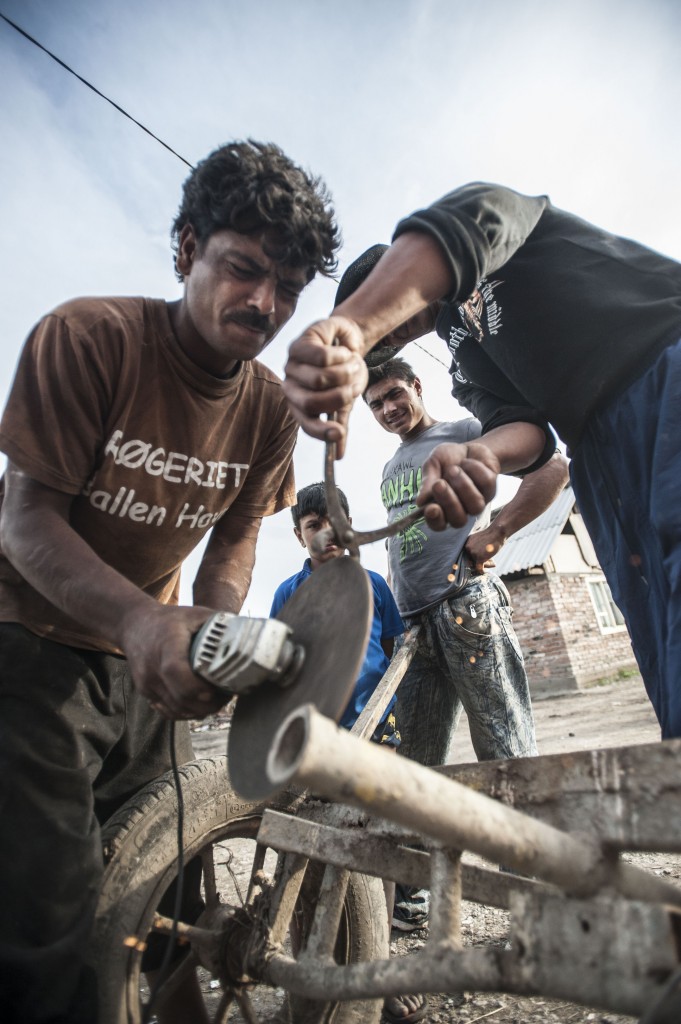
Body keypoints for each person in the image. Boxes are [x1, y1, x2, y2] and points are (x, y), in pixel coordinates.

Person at [0, 139, 339, 1024]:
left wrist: (209, 634)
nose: (263, 303)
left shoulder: (268, 410)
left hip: (145, 664)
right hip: (26, 651)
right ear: (187, 249)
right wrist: (140, 623)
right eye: (243, 269)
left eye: (288, 289)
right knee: (57, 922)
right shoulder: (89, 338)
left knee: (169, 897)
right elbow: (25, 522)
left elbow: (234, 543)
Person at [282, 184, 681, 742]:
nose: (383, 335)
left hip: (663, 377)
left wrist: (343, 329)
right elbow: (529, 436)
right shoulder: (463, 354)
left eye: (379, 323)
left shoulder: (490, 229)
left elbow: (457, 232)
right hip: (598, 453)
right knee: (660, 631)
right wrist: (482, 454)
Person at [363, 355, 569, 767]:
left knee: (504, 750)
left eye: (394, 394)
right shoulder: (389, 469)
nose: (388, 409)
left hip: (465, 607)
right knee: (414, 766)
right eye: (375, 404)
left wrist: (497, 532)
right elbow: (402, 539)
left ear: (417, 386)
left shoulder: (465, 432)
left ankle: (519, 831)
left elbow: (552, 467)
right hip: (413, 626)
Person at [271, 481, 404, 745]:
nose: (327, 532)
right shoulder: (287, 594)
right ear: (299, 536)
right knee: (329, 787)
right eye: (314, 525)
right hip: (317, 726)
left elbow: (387, 643)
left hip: (376, 714)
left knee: (379, 783)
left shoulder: (374, 584)